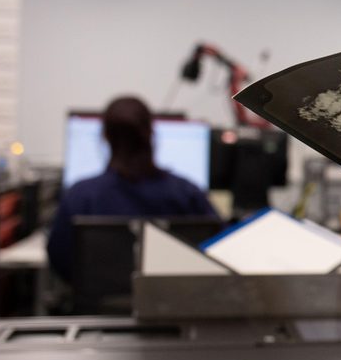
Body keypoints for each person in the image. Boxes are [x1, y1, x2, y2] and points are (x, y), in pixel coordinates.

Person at [46, 96, 218, 281]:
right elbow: (218, 246)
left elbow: (59, 258)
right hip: (171, 297)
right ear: (151, 132)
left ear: (105, 136)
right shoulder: (186, 194)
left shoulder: (80, 196)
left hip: (100, 299)